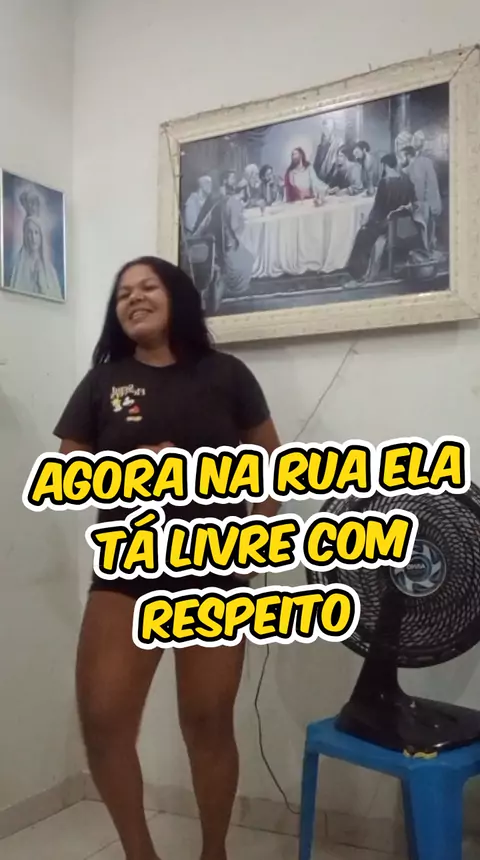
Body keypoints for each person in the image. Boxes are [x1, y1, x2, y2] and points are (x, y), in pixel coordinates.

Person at [53, 256, 281, 860]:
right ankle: (140, 855)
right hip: (127, 573)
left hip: (215, 572)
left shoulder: (227, 374)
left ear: (176, 295)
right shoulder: (103, 382)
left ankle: (214, 852)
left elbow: (271, 464)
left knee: (207, 721)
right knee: (103, 721)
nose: (134, 298)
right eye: (123, 292)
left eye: (148, 286)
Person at [347, 152, 416, 282]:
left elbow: (378, 209)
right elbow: (410, 202)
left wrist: (367, 222)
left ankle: (358, 273)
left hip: (386, 225)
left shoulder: (385, 183)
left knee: (362, 235)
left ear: (385, 166)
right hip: (403, 224)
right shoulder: (406, 180)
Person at [400, 137, 442, 250]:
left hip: (425, 204)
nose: (400, 160)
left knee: (424, 234)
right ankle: (429, 248)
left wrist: (414, 204)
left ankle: (425, 251)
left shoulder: (415, 166)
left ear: (408, 156)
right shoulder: (425, 161)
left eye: (401, 157)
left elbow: (418, 189)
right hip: (433, 201)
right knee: (430, 232)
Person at [9, 214, 63, 300]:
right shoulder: (18, 266)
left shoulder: (50, 270)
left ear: (41, 236)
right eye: (29, 232)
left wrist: (42, 285)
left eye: (36, 233)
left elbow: (56, 297)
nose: (33, 237)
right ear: (25, 236)